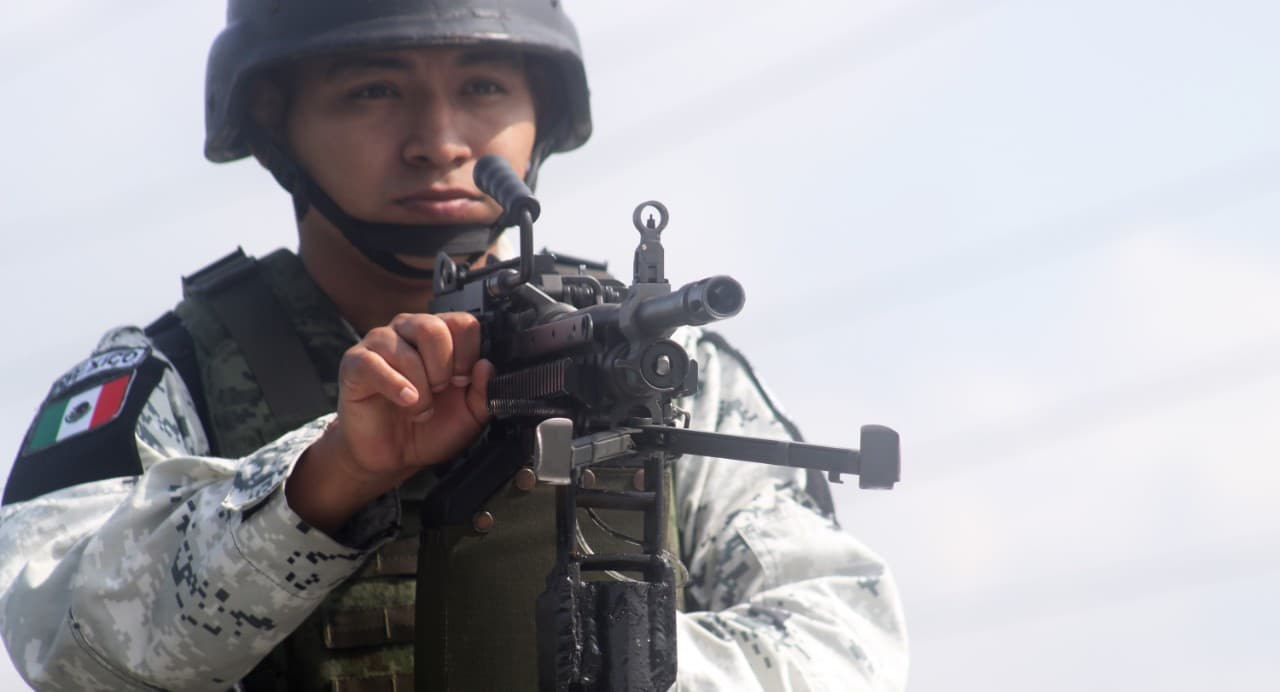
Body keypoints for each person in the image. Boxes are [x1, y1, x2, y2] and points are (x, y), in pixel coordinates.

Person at [0, 1, 908, 690]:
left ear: (538, 116)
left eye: (482, 88)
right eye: (373, 91)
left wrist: (615, 652)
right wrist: (322, 482)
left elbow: (849, 637)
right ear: (276, 123)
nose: (438, 144)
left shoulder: (656, 366)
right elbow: (55, 636)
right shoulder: (175, 371)